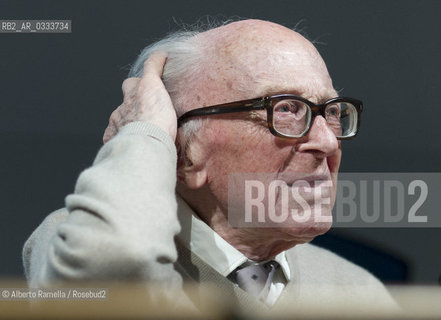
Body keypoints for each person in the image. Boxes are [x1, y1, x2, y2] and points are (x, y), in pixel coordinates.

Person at [22, 19, 397, 312]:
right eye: (285, 109)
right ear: (184, 152)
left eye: (330, 112)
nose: (328, 142)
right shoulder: (73, 241)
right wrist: (143, 132)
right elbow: (115, 260)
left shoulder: (357, 290)